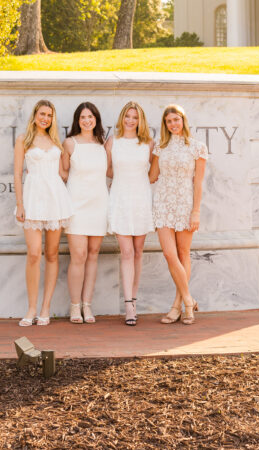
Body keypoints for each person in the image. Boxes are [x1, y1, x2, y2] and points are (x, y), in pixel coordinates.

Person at [14, 99, 72, 327]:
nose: (45, 118)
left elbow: (63, 173)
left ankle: (45, 308)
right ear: (35, 115)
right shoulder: (24, 140)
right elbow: (18, 174)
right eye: (42, 114)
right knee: (34, 253)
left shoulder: (56, 141)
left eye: (49, 115)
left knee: (52, 254)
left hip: (55, 199)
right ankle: (31, 308)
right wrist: (20, 204)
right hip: (32, 198)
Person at [149, 103, 207, 325]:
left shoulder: (197, 147)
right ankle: (189, 300)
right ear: (165, 124)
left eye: (176, 119)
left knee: (183, 253)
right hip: (163, 204)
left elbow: (199, 183)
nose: (173, 124)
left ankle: (178, 306)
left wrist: (196, 211)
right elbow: (152, 176)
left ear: (183, 120)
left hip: (185, 204)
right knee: (169, 255)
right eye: (169, 121)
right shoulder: (160, 148)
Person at [106, 100, 154, 325]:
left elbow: (153, 172)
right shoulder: (112, 142)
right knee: (125, 252)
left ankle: (134, 300)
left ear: (140, 120)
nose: (131, 121)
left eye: (135, 117)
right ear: (122, 118)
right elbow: (106, 169)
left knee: (137, 252)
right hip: (121, 199)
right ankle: (128, 307)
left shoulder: (148, 143)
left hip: (141, 199)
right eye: (127, 116)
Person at [61, 101, 110, 324]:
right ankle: (74, 306)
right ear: (77, 121)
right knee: (78, 255)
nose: (87, 120)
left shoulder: (103, 145)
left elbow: (111, 171)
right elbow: (62, 174)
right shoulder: (70, 144)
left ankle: (87, 305)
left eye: (91, 117)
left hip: (99, 203)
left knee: (93, 254)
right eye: (83, 117)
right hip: (77, 205)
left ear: (96, 120)